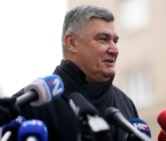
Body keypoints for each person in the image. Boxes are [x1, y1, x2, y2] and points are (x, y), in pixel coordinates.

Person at [0, 4, 139, 141]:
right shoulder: (31, 103)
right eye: (103, 39)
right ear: (71, 42)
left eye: (115, 41)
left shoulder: (126, 104)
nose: (114, 50)